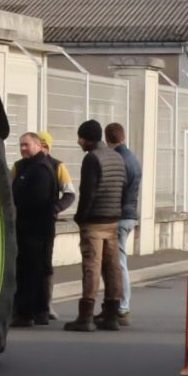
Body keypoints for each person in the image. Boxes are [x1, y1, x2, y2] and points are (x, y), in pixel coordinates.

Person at [65, 119, 129, 332]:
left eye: (80, 138)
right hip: (113, 219)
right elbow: (124, 186)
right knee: (113, 267)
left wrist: (80, 217)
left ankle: (86, 317)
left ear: (86, 139)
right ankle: (112, 315)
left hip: (94, 221)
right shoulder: (117, 157)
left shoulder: (92, 159)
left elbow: (88, 192)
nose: (78, 142)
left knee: (91, 266)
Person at [9, 132, 72, 326]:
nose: (23, 148)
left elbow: (41, 199)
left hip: (36, 229)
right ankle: (35, 311)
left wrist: (54, 210)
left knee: (35, 270)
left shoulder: (44, 168)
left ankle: (32, 312)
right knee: (29, 270)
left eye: (26, 145)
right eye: (21, 145)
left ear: (39, 146)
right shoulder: (21, 166)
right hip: (26, 228)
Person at [105, 122, 143, 325]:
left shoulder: (118, 159)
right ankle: (121, 305)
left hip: (120, 215)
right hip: (130, 214)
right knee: (120, 261)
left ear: (107, 138)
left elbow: (116, 188)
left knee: (118, 263)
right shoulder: (133, 158)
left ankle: (122, 306)